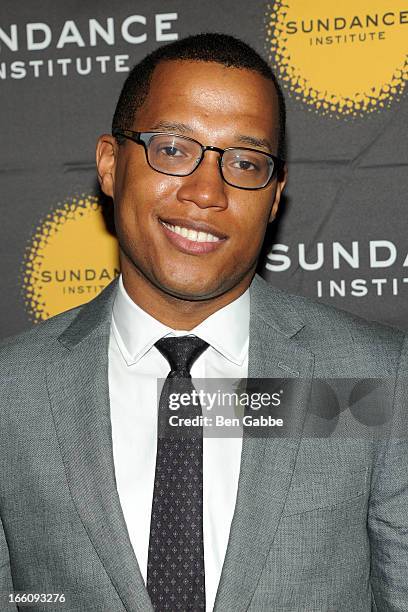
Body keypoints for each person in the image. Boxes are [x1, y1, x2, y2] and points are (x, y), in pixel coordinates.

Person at [1, 33, 407, 612]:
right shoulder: (12, 389)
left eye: (244, 162)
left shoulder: (376, 376)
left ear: (274, 196)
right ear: (111, 166)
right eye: (172, 149)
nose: (206, 192)